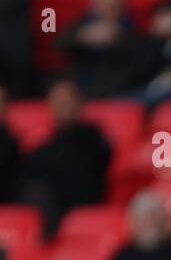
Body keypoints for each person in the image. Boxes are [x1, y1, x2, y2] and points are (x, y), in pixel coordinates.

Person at [19, 79, 111, 240]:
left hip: (82, 203)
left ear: (79, 104)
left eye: (67, 100)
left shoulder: (93, 138)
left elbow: (90, 172)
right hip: (52, 207)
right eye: (57, 101)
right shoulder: (44, 147)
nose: (63, 105)